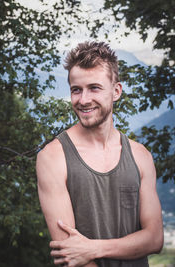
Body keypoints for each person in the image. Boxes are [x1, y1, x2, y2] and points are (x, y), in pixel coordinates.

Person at [36, 41, 164, 267]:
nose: (83, 100)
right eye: (76, 90)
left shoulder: (140, 155)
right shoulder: (53, 157)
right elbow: (71, 255)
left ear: (116, 91)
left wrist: (94, 248)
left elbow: (154, 239)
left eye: (94, 88)